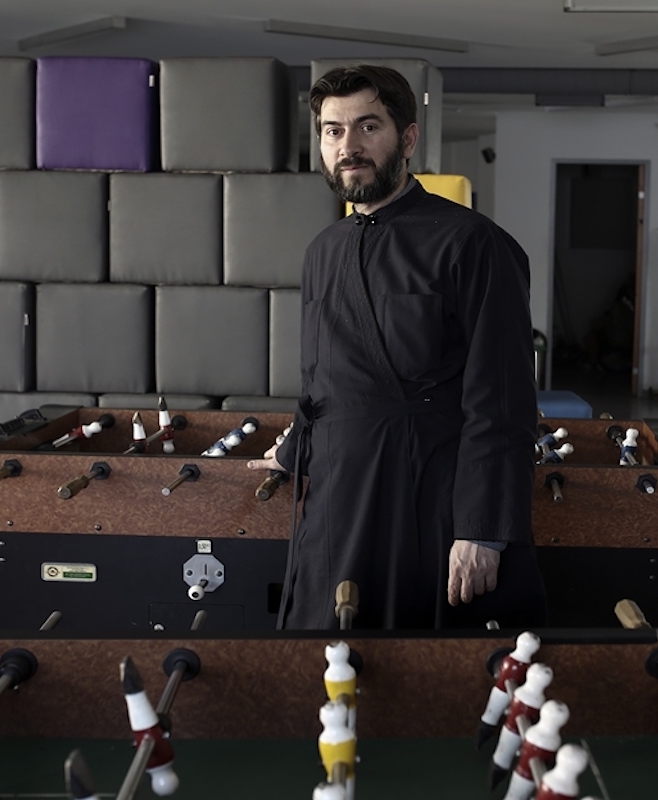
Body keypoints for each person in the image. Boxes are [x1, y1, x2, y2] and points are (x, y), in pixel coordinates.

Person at [246, 64, 547, 630]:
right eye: (333, 130)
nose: (348, 146)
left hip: (428, 496)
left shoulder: (474, 243)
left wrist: (482, 530)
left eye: (368, 127)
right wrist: (291, 453)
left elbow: (502, 400)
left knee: (420, 665)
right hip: (336, 499)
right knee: (326, 655)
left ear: (407, 139)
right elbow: (321, 385)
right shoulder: (322, 251)